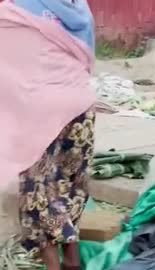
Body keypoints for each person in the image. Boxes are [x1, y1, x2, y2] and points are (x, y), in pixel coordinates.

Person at [0, 0, 96, 270]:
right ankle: (73, 261)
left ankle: (54, 266)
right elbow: (88, 57)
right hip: (81, 106)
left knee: (37, 190)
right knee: (71, 183)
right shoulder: (80, 7)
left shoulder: (20, 6)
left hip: (43, 109)